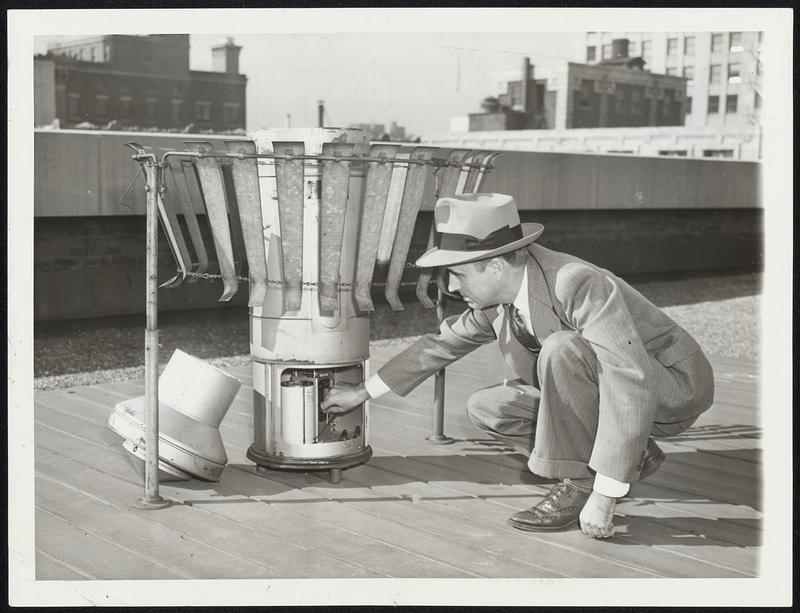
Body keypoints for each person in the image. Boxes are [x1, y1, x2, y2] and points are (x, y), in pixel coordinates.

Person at [321, 192, 715, 540]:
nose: (452, 288)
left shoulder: (574, 282)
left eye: (456, 274)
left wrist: (606, 496)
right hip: (613, 385)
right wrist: (362, 392)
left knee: (562, 348)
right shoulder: (497, 300)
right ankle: (633, 452)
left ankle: (581, 483)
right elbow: (440, 346)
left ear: (494, 266)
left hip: (667, 387)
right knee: (489, 406)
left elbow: (627, 375)